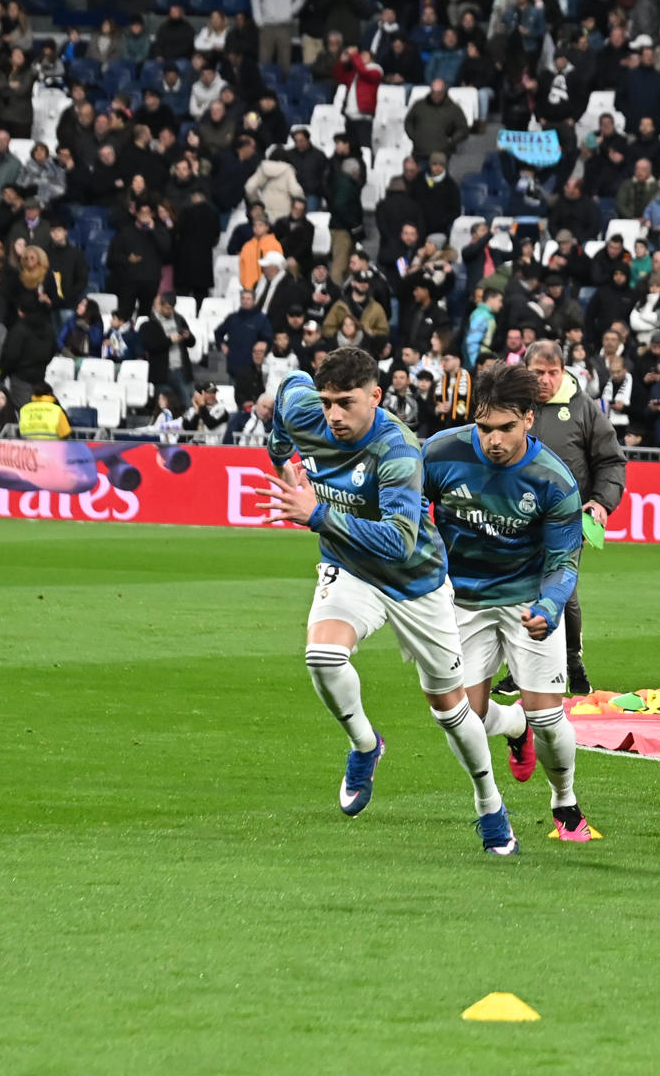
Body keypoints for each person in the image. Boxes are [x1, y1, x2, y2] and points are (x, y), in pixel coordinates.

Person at [257, 348, 517, 855]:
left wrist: (315, 515)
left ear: (375, 397)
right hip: (351, 570)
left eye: (346, 404)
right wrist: (280, 456)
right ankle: (365, 745)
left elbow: (398, 541)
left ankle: (489, 802)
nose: (333, 415)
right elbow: (289, 389)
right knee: (323, 657)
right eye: (328, 403)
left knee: (450, 708)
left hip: (414, 581)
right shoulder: (305, 407)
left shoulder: (397, 449)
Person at [421, 365, 595, 842]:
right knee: (464, 720)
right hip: (463, 601)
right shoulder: (439, 453)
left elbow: (564, 561)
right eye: (484, 428)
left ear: (529, 420)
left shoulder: (553, 481)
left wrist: (550, 607)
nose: (493, 440)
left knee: (549, 720)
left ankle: (565, 801)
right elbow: (409, 508)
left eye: (506, 428)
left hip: (528, 603)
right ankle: (511, 723)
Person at [510, 341, 628, 695]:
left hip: (567, 518)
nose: (544, 380)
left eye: (552, 373)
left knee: (563, 588)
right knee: (515, 589)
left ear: (564, 372)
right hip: (515, 516)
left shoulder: (582, 408)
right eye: (537, 373)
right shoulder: (511, 405)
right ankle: (519, 670)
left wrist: (601, 502)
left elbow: (611, 460)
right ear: (525, 370)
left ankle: (572, 660)